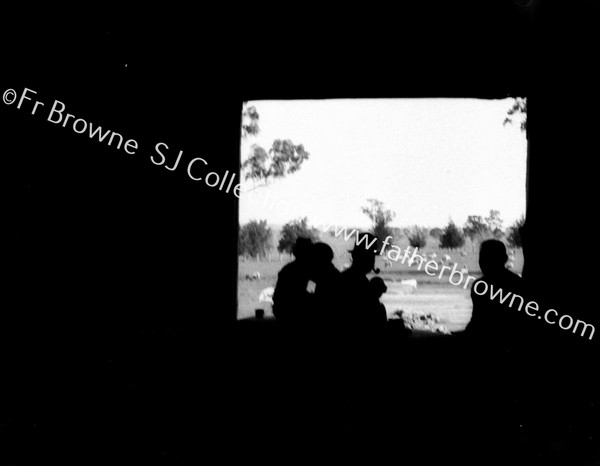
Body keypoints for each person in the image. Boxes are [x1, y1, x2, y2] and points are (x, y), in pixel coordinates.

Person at [272, 237, 314, 322]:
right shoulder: (301, 269)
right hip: (288, 310)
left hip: (281, 309)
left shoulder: (290, 268)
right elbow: (297, 294)